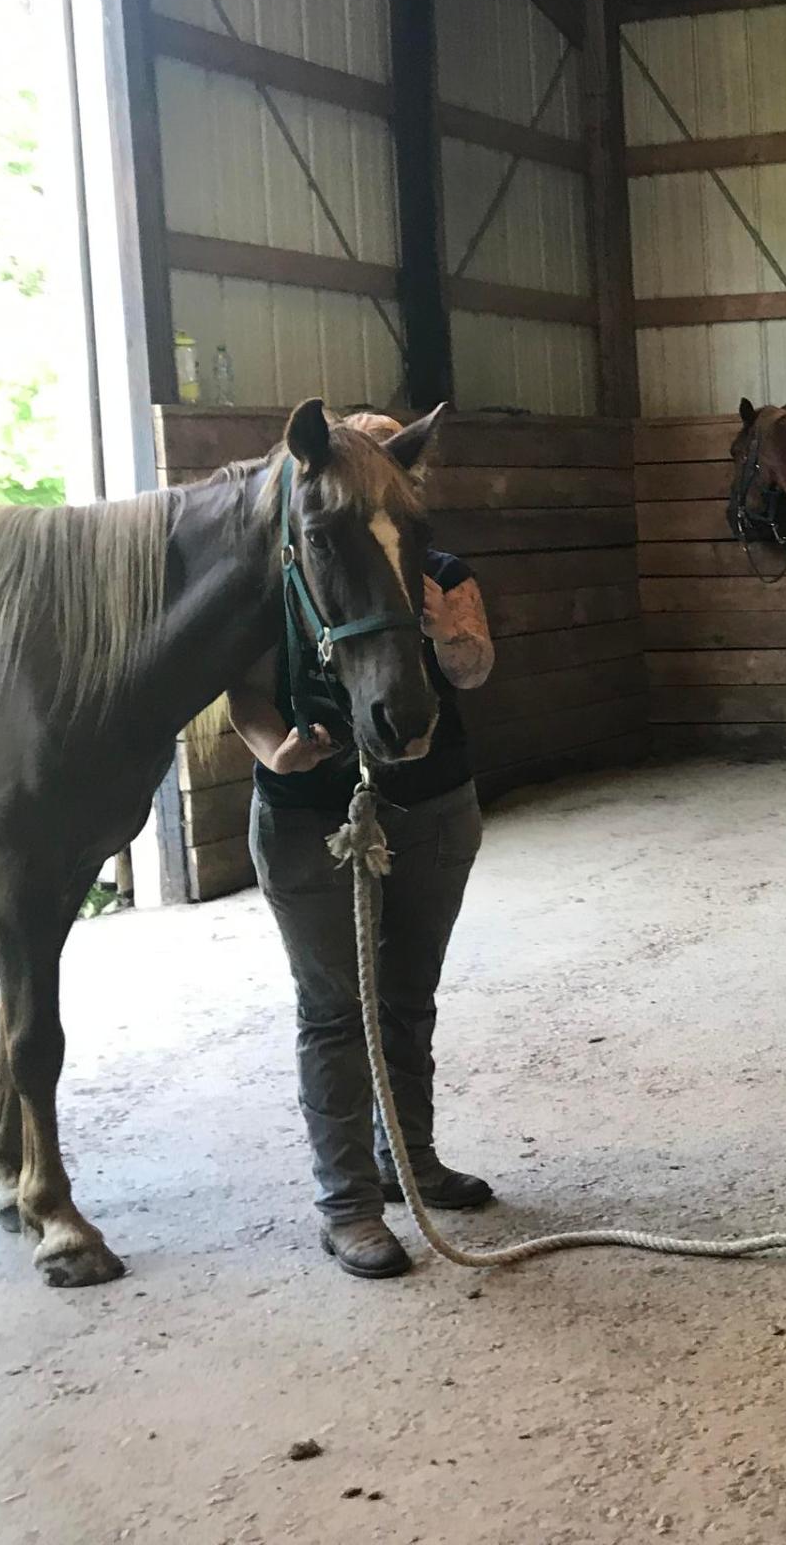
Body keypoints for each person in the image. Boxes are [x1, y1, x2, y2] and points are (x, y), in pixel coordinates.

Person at [227, 413, 495, 1279]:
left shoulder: (441, 571)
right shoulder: (282, 581)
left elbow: (474, 671)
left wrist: (442, 626)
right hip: (312, 819)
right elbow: (246, 698)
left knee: (408, 996)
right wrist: (278, 750)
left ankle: (408, 1160)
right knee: (334, 1008)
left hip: (434, 808)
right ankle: (347, 1205)